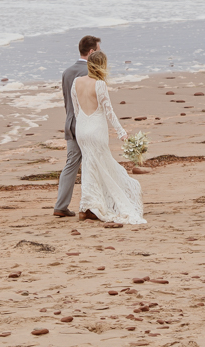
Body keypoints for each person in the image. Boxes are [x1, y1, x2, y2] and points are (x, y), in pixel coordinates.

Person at [70, 51, 145, 224]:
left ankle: (87, 207)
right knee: (102, 165)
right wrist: (121, 132)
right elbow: (109, 111)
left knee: (89, 166)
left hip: (82, 128)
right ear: (102, 65)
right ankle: (92, 206)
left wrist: (81, 127)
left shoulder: (76, 82)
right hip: (97, 130)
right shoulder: (100, 85)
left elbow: (76, 111)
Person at [52, 35, 99, 217]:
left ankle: (60, 206)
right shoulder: (90, 71)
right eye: (99, 50)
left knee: (71, 164)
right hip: (86, 125)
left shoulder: (67, 72)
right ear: (92, 51)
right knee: (91, 164)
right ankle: (89, 207)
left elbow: (67, 102)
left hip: (70, 123)